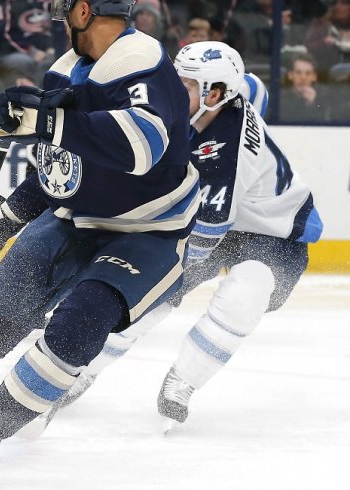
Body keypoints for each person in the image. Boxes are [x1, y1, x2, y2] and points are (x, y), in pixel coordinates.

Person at [0, 0, 197, 482]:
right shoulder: (67, 71)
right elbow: (57, 168)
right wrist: (0, 225)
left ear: (85, 10)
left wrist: (48, 120)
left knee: (79, 326)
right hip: (73, 218)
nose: (59, 12)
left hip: (147, 231)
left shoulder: (145, 62)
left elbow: (141, 148)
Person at [37, 41, 323, 431]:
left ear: (216, 94)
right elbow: (256, 87)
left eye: (187, 84)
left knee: (242, 292)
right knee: (145, 295)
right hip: (215, 214)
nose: (174, 89)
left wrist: (156, 279)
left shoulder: (224, 153)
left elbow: (206, 234)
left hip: (275, 235)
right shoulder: (223, 96)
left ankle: (184, 380)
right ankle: (83, 370)